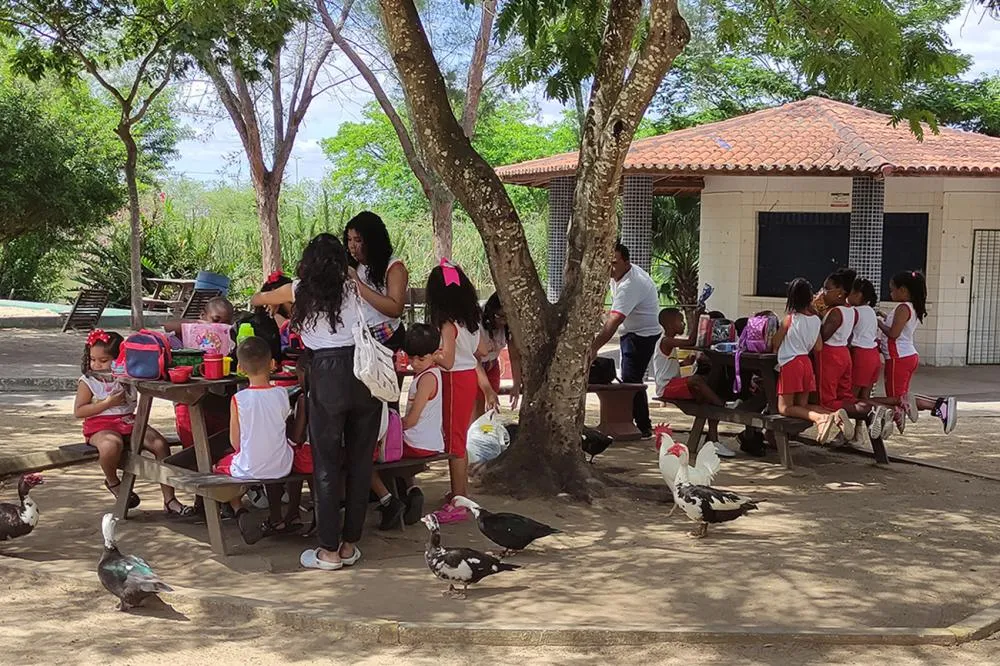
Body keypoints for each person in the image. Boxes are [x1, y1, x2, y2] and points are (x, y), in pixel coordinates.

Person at [251, 233, 381, 571]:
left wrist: (275, 302)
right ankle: (350, 544)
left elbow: (256, 296)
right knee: (359, 460)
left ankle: (327, 550)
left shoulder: (298, 289)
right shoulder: (352, 287)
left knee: (325, 463)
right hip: (362, 371)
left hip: (324, 372)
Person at [74, 330, 193, 517]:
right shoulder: (88, 381)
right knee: (111, 446)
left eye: (103, 360)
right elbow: (79, 411)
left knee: (160, 445)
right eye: (93, 359)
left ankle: (169, 499)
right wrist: (107, 403)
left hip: (129, 421)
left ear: (120, 358)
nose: (97, 365)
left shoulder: (130, 374)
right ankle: (113, 481)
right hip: (100, 425)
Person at [426, 260, 498, 523]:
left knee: (454, 442)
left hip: (454, 379)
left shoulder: (447, 324)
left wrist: (431, 355)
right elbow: (482, 349)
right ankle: (460, 493)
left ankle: (458, 501)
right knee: (459, 438)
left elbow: (447, 360)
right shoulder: (471, 321)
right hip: (468, 377)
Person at [213, 337, 303, 544]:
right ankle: (277, 517)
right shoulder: (281, 394)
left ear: (241, 369)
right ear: (272, 365)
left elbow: (235, 442)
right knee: (272, 454)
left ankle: (239, 509)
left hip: (250, 467)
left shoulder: (238, 399)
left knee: (217, 467)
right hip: (282, 465)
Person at [372, 324, 443, 529]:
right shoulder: (433, 374)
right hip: (428, 440)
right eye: (411, 359)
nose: (415, 364)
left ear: (435, 354)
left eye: (421, 359)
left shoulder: (426, 380)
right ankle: (412, 491)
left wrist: (389, 429)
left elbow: (411, 420)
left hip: (417, 443)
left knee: (366, 456)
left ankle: (388, 500)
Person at [591, 242, 661, 439]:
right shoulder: (618, 276)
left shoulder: (631, 284)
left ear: (626, 262)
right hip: (631, 331)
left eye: (613, 263)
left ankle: (642, 426)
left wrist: (594, 348)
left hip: (642, 335)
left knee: (631, 382)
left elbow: (615, 320)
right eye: (606, 262)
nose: (609, 268)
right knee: (630, 379)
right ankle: (635, 423)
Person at [770, 278, 852, 443]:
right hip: (806, 364)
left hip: (791, 363)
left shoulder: (790, 319)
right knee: (803, 406)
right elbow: (819, 347)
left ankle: (820, 419)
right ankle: (834, 416)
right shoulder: (815, 320)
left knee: (785, 408)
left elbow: (775, 343)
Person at [876, 270, 957, 434]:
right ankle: (896, 419)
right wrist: (884, 317)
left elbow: (893, 333)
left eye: (892, 290)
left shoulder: (903, 308)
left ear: (903, 290)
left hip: (898, 357)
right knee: (901, 397)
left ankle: (938, 404)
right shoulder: (911, 308)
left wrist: (878, 322)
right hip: (906, 356)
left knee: (897, 399)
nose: (890, 293)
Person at [653, 307, 732, 457]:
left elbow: (666, 365)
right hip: (666, 387)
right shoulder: (666, 340)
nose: (683, 324)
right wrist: (697, 319)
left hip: (672, 383)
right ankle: (723, 406)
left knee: (707, 392)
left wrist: (684, 363)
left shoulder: (668, 344)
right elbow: (690, 341)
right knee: (697, 381)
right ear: (669, 325)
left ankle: (714, 440)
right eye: (680, 321)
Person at [345, 212, 409, 389]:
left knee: (385, 397)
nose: (352, 246)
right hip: (359, 340)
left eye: (358, 240)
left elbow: (395, 308)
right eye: (349, 240)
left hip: (387, 340)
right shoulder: (352, 265)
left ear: (372, 240)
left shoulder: (394, 267)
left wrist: (357, 284)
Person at [475, 292, 522, 419]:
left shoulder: (509, 325)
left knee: (491, 408)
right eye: (499, 316)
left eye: (507, 318)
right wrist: (487, 389)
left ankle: (486, 434)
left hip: (493, 365)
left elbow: (515, 357)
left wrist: (516, 384)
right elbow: (474, 360)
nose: (503, 322)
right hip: (475, 367)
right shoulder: (477, 322)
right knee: (477, 407)